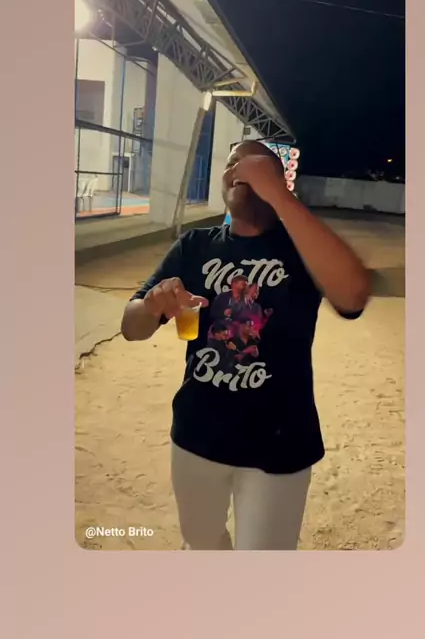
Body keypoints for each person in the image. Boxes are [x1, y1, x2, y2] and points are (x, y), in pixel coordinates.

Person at [121, 140, 371, 550]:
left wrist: (278, 194)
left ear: (278, 177)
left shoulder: (303, 248)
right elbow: (132, 328)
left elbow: (354, 296)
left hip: (281, 445)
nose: (238, 167)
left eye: (253, 162)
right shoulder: (195, 246)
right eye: (231, 162)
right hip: (197, 436)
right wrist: (150, 306)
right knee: (201, 541)